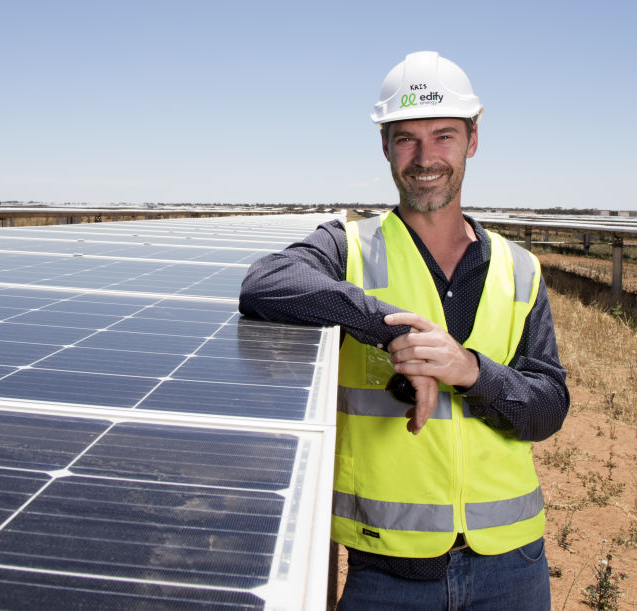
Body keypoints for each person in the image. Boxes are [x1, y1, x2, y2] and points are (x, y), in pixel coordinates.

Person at [239, 51, 569, 609]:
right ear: (386, 147)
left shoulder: (520, 269)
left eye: (443, 136)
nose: (425, 157)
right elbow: (264, 282)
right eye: (406, 139)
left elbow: (548, 408)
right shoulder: (349, 246)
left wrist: (469, 371)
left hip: (514, 566)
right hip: (386, 570)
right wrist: (384, 328)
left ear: (472, 140)